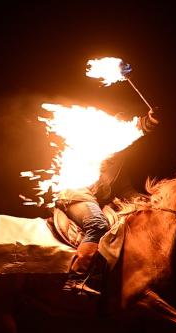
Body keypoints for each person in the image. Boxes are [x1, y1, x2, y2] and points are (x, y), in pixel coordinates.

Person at [58, 109, 159, 295]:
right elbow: (138, 128)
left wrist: (149, 200)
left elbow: (126, 190)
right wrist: (149, 121)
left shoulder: (118, 166)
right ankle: (75, 280)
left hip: (94, 202)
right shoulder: (89, 146)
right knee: (98, 224)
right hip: (75, 195)